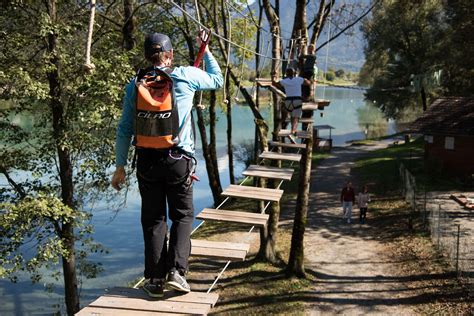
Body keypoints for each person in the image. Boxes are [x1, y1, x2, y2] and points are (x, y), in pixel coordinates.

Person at [111, 33, 223, 298]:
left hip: (146, 161)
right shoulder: (185, 75)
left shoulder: (135, 84)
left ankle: (155, 280)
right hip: (178, 161)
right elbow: (217, 80)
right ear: (170, 55)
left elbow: (125, 129)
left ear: (147, 56)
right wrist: (205, 51)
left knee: (153, 220)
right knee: (182, 216)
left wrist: (119, 166)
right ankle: (177, 273)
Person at [274, 67, 311, 134]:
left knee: (292, 116)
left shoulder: (284, 81)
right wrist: (305, 79)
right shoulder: (298, 79)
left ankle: (290, 128)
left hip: (288, 102)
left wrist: (275, 78)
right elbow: (308, 83)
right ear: (294, 74)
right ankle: (293, 130)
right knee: (296, 118)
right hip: (297, 101)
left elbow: (276, 84)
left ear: (286, 74)